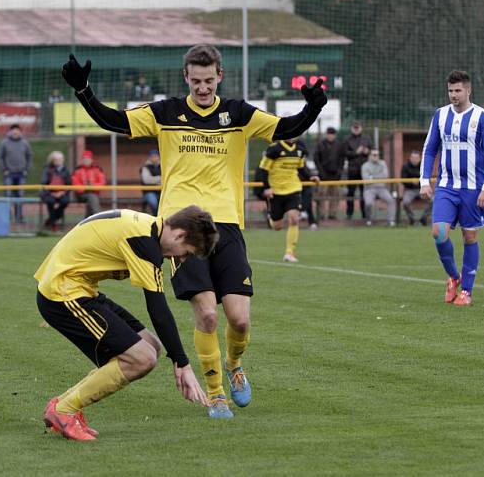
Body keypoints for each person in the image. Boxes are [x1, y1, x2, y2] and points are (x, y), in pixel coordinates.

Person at [61, 44, 326, 418]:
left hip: (227, 226)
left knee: (240, 318)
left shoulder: (238, 113)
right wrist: (83, 90)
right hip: (181, 231)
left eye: (209, 80)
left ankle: (234, 365)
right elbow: (113, 120)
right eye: (196, 80)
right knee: (207, 315)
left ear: (220, 76)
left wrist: (313, 107)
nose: (203, 88)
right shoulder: (167, 112)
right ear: (186, 77)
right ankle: (216, 393)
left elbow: (287, 127)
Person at [36, 206, 217, 441]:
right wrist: (183, 364)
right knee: (142, 358)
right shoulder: (144, 240)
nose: (181, 259)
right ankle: (64, 410)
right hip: (62, 293)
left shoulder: (148, 229)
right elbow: (158, 310)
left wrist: (178, 358)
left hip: (79, 288)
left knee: (151, 346)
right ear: (179, 235)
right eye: (187, 252)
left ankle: (63, 405)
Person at [420, 70, 484, 307]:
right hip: (446, 186)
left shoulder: (482, 117)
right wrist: (425, 180)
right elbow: (430, 148)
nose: (454, 95)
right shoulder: (440, 115)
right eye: (450, 91)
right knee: (438, 233)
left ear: (468, 90)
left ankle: (467, 291)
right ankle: (454, 276)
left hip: (473, 188)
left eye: (458, 90)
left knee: (469, 236)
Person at [258, 138, 321, 262]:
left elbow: (301, 168)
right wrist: (267, 188)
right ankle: (271, 216)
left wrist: (310, 176)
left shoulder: (300, 150)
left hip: (293, 189)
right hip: (276, 191)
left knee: (294, 219)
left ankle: (289, 253)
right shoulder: (274, 149)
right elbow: (263, 169)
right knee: (277, 226)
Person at [0, 124, 33, 223]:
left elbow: (29, 156)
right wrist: (4, 170)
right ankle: (7, 217)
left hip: (21, 174)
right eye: (14, 130)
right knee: (8, 195)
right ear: (11, 131)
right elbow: (0, 157)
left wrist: (27, 169)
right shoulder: (4, 143)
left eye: (17, 130)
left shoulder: (24, 143)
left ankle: (19, 217)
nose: (15, 132)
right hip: (9, 174)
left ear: (20, 132)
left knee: (20, 196)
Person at [343, 121, 372, 219]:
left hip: (364, 169)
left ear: (361, 128)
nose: (356, 129)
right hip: (352, 169)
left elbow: (372, 151)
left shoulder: (366, 138)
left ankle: (364, 214)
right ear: (351, 128)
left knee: (364, 192)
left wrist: (367, 151)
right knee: (350, 192)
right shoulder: (347, 139)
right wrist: (356, 152)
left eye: (358, 127)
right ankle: (349, 214)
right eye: (354, 128)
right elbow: (345, 153)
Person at [313, 126, 343, 220]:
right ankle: (321, 214)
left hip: (335, 175)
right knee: (322, 195)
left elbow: (342, 159)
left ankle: (332, 214)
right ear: (326, 135)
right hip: (323, 174)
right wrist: (321, 172)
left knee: (335, 195)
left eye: (332, 134)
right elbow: (316, 159)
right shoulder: (320, 144)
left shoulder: (339, 145)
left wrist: (339, 172)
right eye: (329, 134)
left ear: (335, 135)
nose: (330, 136)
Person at [361, 149, 396, 226]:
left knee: (391, 200)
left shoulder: (382, 163)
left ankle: (391, 221)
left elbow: (385, 176)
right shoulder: (365, 165)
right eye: (374, 155)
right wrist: (378, 177)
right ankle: (368, 220)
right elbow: (366, 179)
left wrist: (372, 177)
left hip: (381, 187)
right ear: (370, 156)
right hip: (369, 188)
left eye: (377, 155)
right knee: (368, 203)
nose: (376, 156)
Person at [40, 151, 72, 231]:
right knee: (50, 201)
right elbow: (44, 183)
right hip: (49, 193)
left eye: (61, 159)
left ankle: (50, 220)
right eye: (57, 160)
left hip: (62, 193)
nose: (59, 161)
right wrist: (51, 193)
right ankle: (53, 223)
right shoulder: (47, 169)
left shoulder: (66, 170)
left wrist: (62, 192)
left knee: (65, 201)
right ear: (52, 160)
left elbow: (69, 184)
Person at [70, 150, 106, 217]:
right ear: (82, 160)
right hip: (81, 195)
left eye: (88, 159)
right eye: (85, 159)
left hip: (94, 193)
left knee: (91, 199)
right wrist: (86, 188)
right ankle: (99, 218)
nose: (86, 160)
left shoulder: (97, 169)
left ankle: (86, 220)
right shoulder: (77, 170)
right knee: (92, 197)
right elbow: (75, 183)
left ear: (91, 159)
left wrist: (92, 187)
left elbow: (102, 182)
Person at [400, 150, 431, 225]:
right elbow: (402, 180)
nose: (415, 159)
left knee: (433, 200)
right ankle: (412, 219)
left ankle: (424, 218)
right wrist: (411, 182)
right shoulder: (405, 166)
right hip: (410, 190)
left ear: (420, 158)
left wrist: (420, 182)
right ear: (410, 158)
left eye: (416, 158)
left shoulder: (423, 166)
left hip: (422, 189)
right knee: (405, 202)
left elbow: (428, 178)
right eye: (413, 158)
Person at [140, 149, 162, 216]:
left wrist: (154, 180)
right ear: (150, 158)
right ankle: (155, 216)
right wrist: (159, 179)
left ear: (159, 157)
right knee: (153, 202)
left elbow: (166, 178)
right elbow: (146, 180)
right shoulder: (145, 167)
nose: (154, 158)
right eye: (152, 156)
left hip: (162, 191)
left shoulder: (163, 166)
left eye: (156, 156)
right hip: (149, 192)